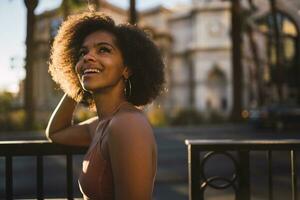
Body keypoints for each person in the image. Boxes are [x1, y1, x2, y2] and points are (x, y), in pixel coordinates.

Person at [46, 11, 165, 200]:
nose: (88, 57)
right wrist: (76, 79)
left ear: (126, 69)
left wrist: (86, 71)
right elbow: (56, 133)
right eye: (82, 53)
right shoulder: (101, 124)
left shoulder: (127, 125)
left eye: (103, 50)